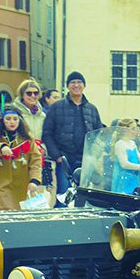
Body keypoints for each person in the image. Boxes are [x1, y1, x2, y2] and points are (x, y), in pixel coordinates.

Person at [42, 71, 103, 204]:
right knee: (64, 196)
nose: (76, 85)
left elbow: (99, 134)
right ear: (68, 87)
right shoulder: (57, 107)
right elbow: (47, 133)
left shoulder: (92, 109)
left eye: (79, 82)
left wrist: (95, 155)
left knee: (84, 197)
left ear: (84, 85)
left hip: (86, 161)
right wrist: (56, 155)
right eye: (72, 82)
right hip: (64, 159)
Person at [0, 109, 42, 210]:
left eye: (15, 119)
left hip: (21, 185)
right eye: (8, 119)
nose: (12, 122)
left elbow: (36, 160)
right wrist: (0, 148)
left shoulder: (27, 139)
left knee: (18, 215)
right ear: (2, 121)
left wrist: (34, 179)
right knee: (1, 211)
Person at [111, 118, 140, 194]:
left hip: (133, 177)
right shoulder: (120, 144)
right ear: (124, 130)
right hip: (123, 180)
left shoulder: (132, 143)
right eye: (133, 129)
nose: (136, 131)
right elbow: (124, 164)